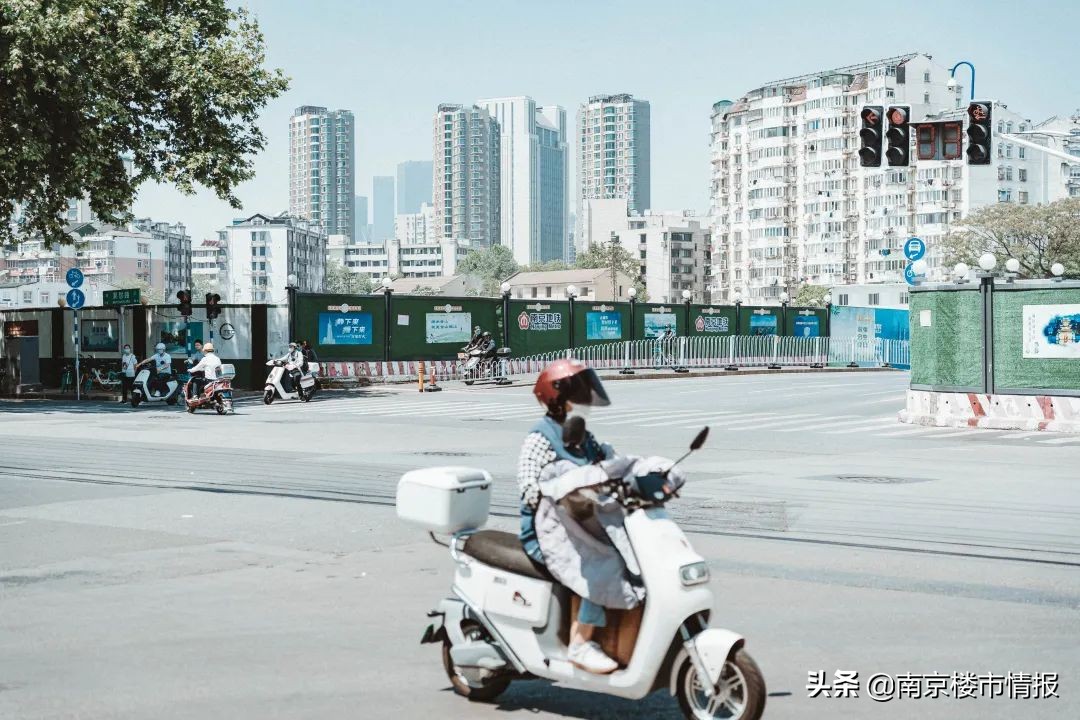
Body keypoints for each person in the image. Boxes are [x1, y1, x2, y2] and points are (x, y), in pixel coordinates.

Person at [518, 358, 630, 675]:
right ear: (556, 398)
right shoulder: (540, 438)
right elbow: (529, 489)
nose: (583, 401)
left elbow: (610, 464)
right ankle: (581, 643)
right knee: (600, 564)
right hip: (546, 533)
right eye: (577, 394)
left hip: (582, 526)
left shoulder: (584, 437)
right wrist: (564, 491)